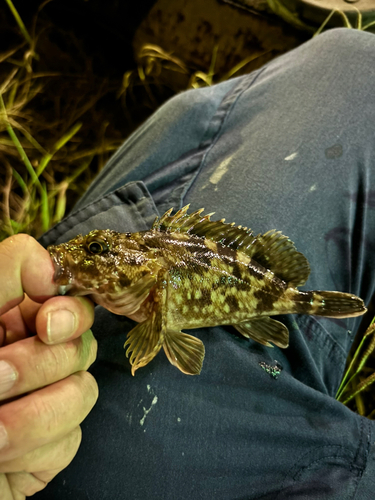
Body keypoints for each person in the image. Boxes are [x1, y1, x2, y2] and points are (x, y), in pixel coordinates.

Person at [0, 27, 375, 499]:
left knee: (353, 55)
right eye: (94, 249)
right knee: (353, 60)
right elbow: (179, 349)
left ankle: (310, 304)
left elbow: (166, 339)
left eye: (97, 250)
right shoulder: (133, 280)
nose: (81, 254)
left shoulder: (149, 279)